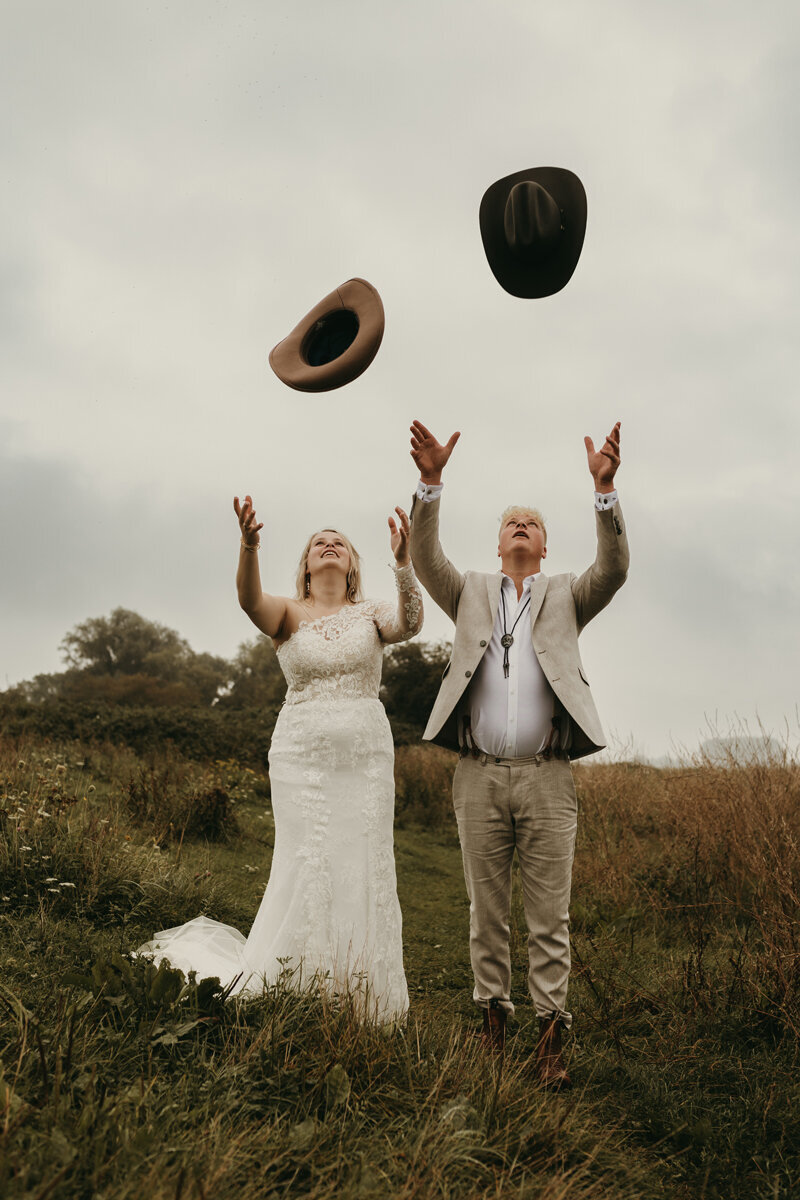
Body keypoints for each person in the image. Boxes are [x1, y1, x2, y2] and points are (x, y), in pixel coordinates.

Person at [137, 496, 423, 1024]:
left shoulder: (372, 613)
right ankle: (296, 984)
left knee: (364, 863)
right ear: (308, 566)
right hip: (302, 760)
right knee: (307, 861)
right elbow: (249, 602)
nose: (329, 544)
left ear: (353, 564)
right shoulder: (289, 613)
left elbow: (411, 623)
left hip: (365, 761)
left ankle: (361, 995)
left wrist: (405, 562)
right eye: (319, 542)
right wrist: (249, 546)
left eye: (339, 541)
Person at [407, 419, 629, 1086]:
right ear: (499, 542)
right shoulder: (469, 589)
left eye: (532, 523)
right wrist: (430, 483)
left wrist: (605, 492)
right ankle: (490, 1024)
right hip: (477, 776)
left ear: (545, 542)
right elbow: (424, 559)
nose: (522, 529)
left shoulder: (566, 593)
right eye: (512, 524)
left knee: (549, 914)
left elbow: (614, 568)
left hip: (548, 777)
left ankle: (551, 1040)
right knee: (486, 910)